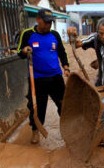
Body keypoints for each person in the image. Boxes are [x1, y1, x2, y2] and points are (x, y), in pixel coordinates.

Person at [67, 17, 104, 144]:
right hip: (101, 80)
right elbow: (79, 44)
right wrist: (72, 36)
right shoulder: (95, 38)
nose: (103, 36)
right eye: (101, 33)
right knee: (96, 106)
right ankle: (96, 131)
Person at [17, 8, 70, 144]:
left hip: (56, 77)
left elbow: (62, 52)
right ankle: (36, 131)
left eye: (50, 23)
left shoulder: (55, 35)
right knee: (37, 107)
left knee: (64, 105)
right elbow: (19, 52)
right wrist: (24, 50)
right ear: (38, 20)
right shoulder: (28, 34)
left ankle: (68, 129)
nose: (48, 25)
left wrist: (66, 66)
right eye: (46, 22)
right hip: (37, 79)